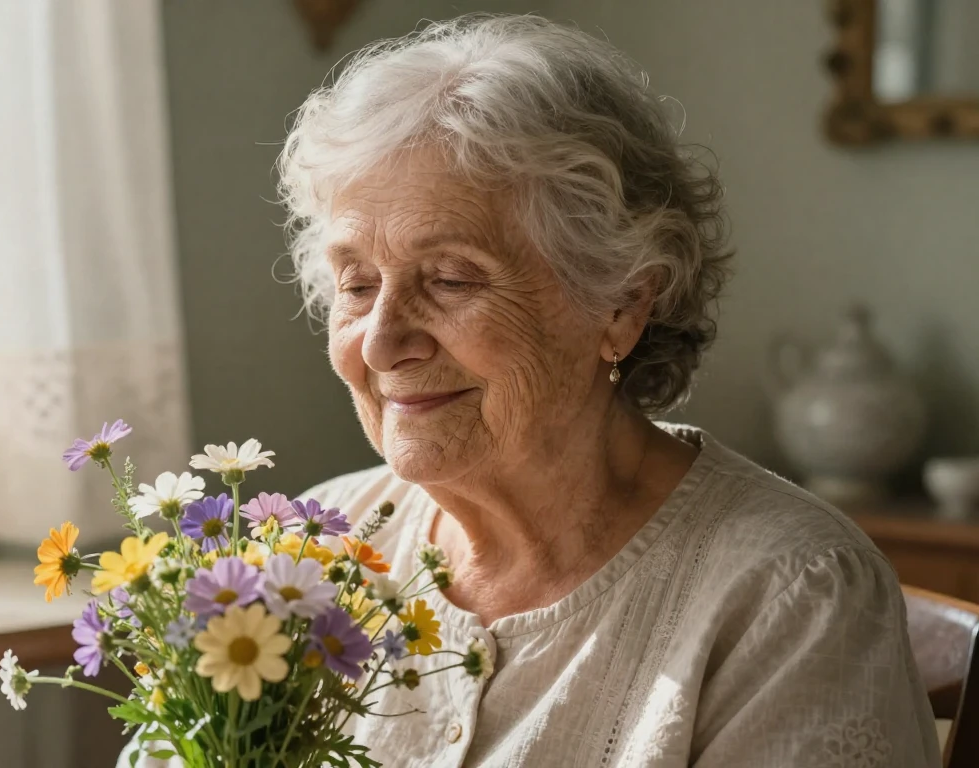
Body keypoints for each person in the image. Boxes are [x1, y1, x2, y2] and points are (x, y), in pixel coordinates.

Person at [272, 13, 939, 768]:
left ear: (622, 303)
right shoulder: (307, 552)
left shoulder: (788, 595)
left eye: (451, 279)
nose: (383, 340)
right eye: (356, 285)